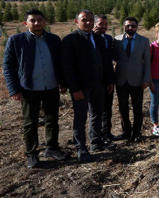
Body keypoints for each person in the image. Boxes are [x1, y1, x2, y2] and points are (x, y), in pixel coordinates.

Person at [3, 9, 70, 168]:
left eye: (40, 20)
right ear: (26, 23)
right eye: (32, 20)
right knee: (30, 123)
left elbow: (60, 63)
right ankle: (32, 154)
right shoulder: (16, 40)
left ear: (45, 22)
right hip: (29, 88)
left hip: (51, 86)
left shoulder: (54, 39)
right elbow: (8, 66)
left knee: (52, 119)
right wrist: (13, 89)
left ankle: (52, 148)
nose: (37, 23)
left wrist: (63, 83)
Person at [62, 10, 116, 162]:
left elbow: (106, 63)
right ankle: (81, 148)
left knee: (97, 114)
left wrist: (109, 81)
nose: (87, 22)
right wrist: (74, 88)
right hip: (81, 87)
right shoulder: (70, 40)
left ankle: (96, 142)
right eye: (84, 20)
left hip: (98, 84)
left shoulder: (98, 39)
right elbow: (67, 67)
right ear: (76, 22)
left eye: (90, 20)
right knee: (80, 117)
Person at [113, 16, 151, 142]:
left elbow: (147, 62)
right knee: (123, 107)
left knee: (137, 108)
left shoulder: (144, 41)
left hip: (137, 79)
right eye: (128, 26)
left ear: (136, 27)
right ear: (124, 26)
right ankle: (126, 131)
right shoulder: (117, 40)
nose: (130, 28)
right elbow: (114, 58)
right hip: (121, 79)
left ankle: (136, 132)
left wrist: (147, 78)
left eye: (133, 26)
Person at [93, 14, 122, 142]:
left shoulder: (109, 39)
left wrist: (111, 80)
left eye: (105, 24)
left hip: (107, 79)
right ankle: (97, 136)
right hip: (94, 80)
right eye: (100, 24)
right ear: (94, 24)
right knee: (96, 110)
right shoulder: (90, 39)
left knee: (107, 108)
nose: (104, 27)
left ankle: (107, 133)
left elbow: (110, 61)